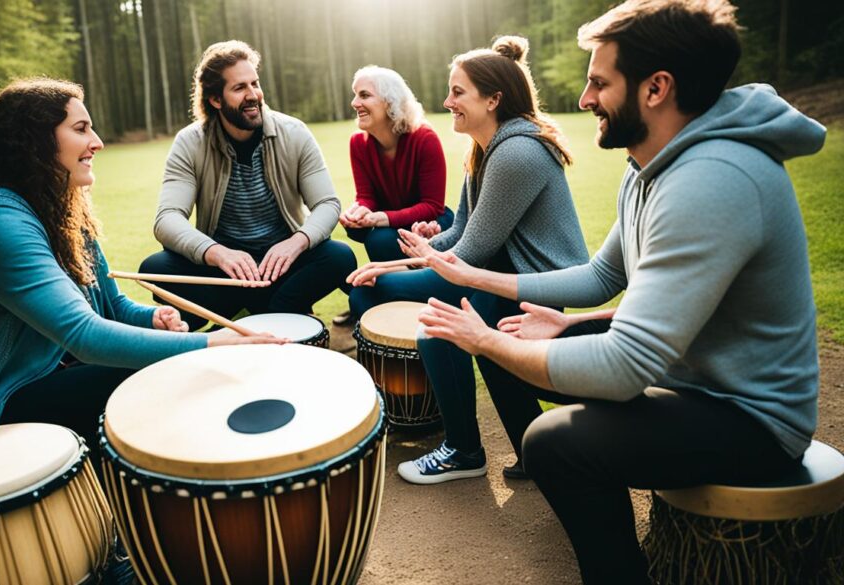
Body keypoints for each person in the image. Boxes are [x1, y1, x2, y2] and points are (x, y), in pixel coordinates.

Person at [418, 1, 826, 583]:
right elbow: (601, 277)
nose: (584, 100)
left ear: (657, 88)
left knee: (555, 443)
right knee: (518, 341)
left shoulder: (716, 178)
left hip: (751, 416)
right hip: (693, 381)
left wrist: (483, 341)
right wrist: (511, 299)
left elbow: (625, 367)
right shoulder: (648, 167)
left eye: (599, 82)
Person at [0, 77, 279, 454]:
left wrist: (151, 318)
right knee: (165, 377)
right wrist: (209, 344)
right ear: (34, 140)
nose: (97, 142)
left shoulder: (61, 208)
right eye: (81, 129)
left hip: (56, 373)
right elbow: (85, 334)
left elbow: (112, 306)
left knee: (163, 382)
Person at [347, 37, 590, 484]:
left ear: (493, 99)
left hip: (534, 288)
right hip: (498, 274)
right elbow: (461, 232)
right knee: (377, 290)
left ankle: (463, 450)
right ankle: (531, 452)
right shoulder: (485, 148)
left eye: (458, 92)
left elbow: (472, 250)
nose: (447, 102)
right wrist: (399, 261)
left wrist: (414, 258)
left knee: (439, 331)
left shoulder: (517, 152)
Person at [140, 40, 356, 331]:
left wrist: (296, 242)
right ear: (215, 100)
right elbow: (167, 220)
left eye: (255, 83)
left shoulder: (295, 133)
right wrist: (217, 253)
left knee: (339, 257)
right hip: (224, 270)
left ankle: (250, 318)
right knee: (155, 268)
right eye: (240, 88)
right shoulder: (190, 142)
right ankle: (276, 314)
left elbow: (327, 204)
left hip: (280, 266)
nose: (253, 94)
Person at [334, 66, 453, 326]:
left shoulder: (424, 139)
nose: (355, 103)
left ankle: (400, 301)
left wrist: (379, 218)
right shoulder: (358, 143)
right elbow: (366, 195)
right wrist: (360, 211)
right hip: (387, 221)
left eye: (364, 95)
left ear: (390, 102)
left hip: (429, 221)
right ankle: (386, 301)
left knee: (381, 238)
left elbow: (432, 206)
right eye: (355, 95)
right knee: (369, 233)